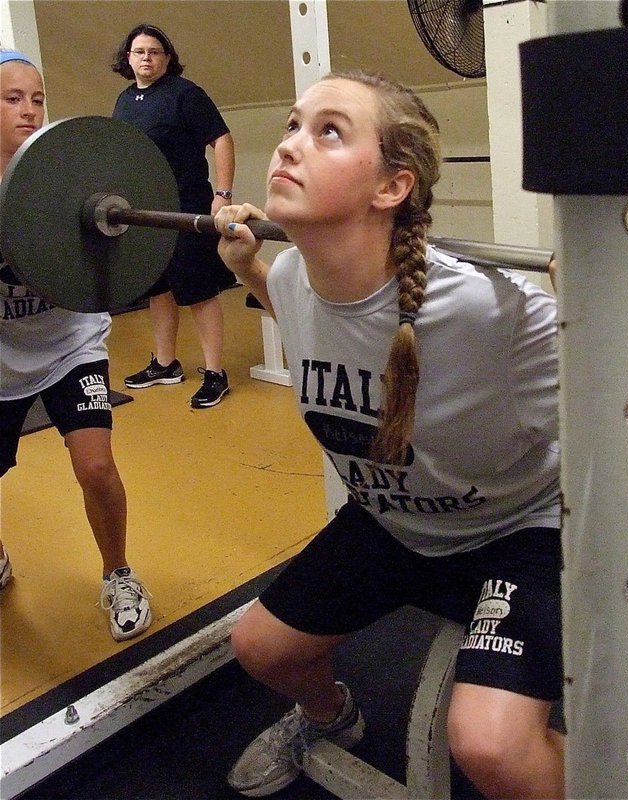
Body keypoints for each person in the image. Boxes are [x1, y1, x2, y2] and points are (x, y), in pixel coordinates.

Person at [214, 71, 564, 799]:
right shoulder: (289, 281)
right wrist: (247, 265)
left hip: (520, 531)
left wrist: (597, 306)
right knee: (260, 649)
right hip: (394, 524)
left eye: (327, 131)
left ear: (390, 187)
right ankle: (329, 717)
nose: (288, 146)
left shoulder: (491, 311)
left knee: (490, 747)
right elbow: (330, 324)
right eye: (290, 124)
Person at [0, 49, 152, 642]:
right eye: (13, 99)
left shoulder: (66, 176)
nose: (30, 111)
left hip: (71, 343)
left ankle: (118, 573)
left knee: (95, 465)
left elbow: (109, 256)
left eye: (37, 98)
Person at [111, 23, 236, 409]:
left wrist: (223, 193)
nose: (146, 58)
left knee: (197, 290)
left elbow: (222, 139)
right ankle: (166, 364)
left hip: (186, 209)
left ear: (167, 58)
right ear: (127, 58)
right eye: (139, 52)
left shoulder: (185, 95)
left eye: (154, 52)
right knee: (158, 288)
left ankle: (216, 373)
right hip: (144, 213)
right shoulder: (124, 100)